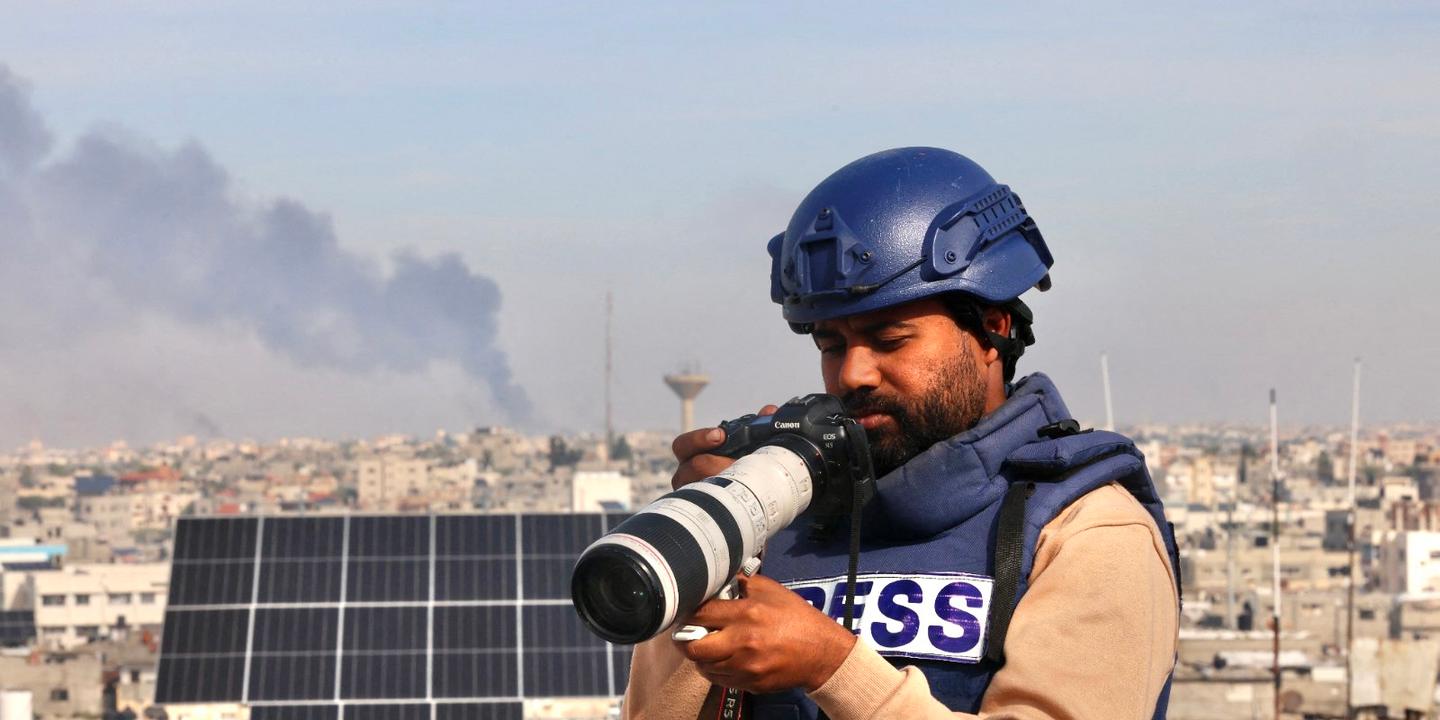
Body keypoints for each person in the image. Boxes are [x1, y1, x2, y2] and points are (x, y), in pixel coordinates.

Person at [622, 147, 1181, 719]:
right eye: (830, 344)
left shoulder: (1085, 532)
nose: (851, 374)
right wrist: (718, 543)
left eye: (890, 340)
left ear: (993, 327)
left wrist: (831, 668)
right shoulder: (786, 515)